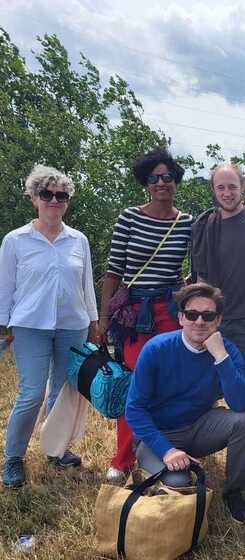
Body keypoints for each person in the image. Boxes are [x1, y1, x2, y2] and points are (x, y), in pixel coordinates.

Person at [97, 148, 193, 483]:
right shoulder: (129, 217)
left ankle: (160, 449)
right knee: (135, 382)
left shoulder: (186, 223)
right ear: (146, 183)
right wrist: (104, 317)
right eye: (154, 178)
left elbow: (183, 274)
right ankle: (122, 458)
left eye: (168, 176)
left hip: (168, 312)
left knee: (166, 383)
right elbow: (113, 272)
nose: (162, 183)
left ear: (176, 181)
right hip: (133, 314)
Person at [0, 165, 98, 488]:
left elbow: (86, 286)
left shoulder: (78, 240)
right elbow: (5, 287)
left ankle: (55, 450)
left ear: (67, 201)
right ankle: (14, 457)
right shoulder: (15, 241)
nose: (54, 200)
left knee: (62, 391)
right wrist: (3, 327)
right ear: (34, 198)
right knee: (31, 392)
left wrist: (94, 322)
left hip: (73, 326)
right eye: (47, 194)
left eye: (61, 195)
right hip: (29, 326)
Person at [125, 283, 245, 522]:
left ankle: (234, 491)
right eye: (192, 314)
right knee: (179, 483)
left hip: (198, 427)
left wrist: (220, 357)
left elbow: (239, 404)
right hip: (158, 435)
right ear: (180, 317)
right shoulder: (156, 349)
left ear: (218, 320)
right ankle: (157, 465)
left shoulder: (227, 352)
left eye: (208, 315)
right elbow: (134, 410)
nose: (199, 321)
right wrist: (167, 451)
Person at [191, 163, 245, 407]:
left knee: (243, 398)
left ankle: (241, 445)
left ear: (242, 187)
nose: (227, 193)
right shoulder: (204, 226)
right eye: (220, 187)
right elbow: (200, 279)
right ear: (213, 190)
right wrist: (200, 321)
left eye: (232, 187)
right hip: (213, 322)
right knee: (204, 394)